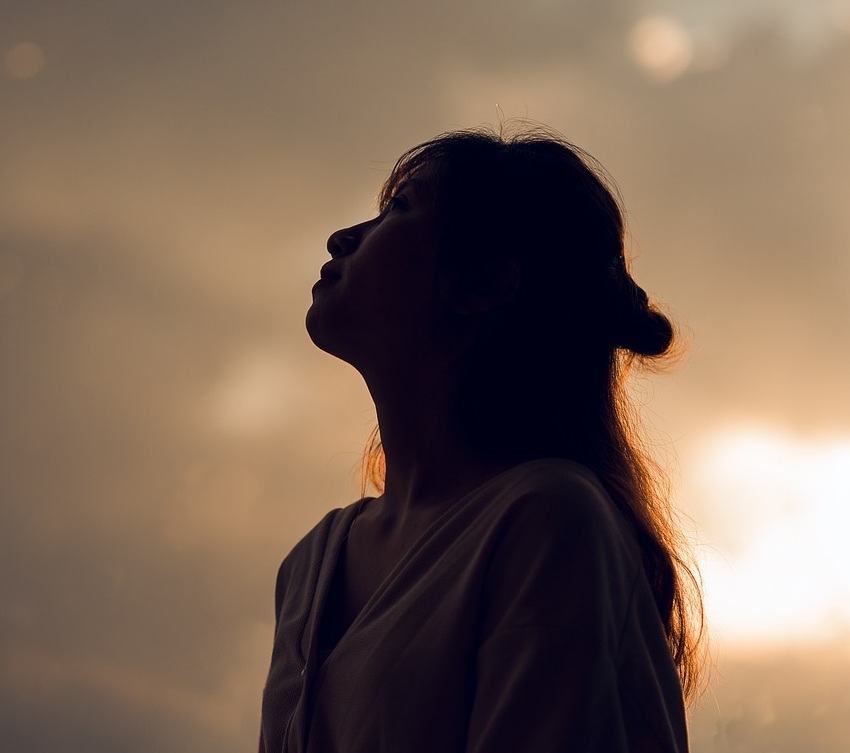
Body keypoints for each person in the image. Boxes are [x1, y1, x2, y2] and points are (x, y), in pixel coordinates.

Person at [259, 125, 704, 753]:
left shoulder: (548, 521)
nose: (343, 237)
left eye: (400, 208)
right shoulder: (311, 565)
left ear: (485, 283)